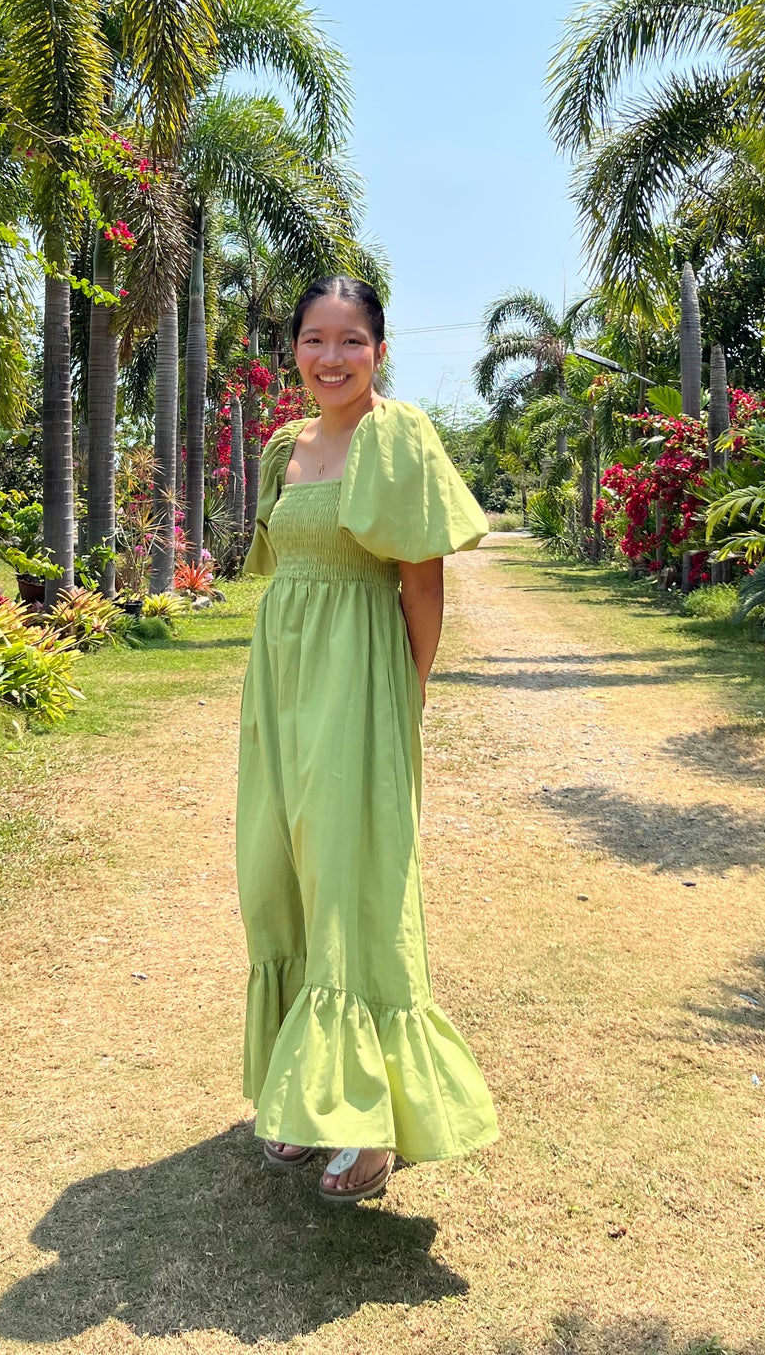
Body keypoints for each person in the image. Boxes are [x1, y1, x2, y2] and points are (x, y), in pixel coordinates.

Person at [236, 275, 498, 1204]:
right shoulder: (284, 445)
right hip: (282, 681)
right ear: (295, 350)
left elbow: (420, 583)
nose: (332, 357)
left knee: (351, 879)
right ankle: (307, 1089)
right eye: (314, 339)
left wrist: (407, 691)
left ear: (379, 350)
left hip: (361, 675)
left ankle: (370, 1120)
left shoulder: (398, 437)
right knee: (280, 870)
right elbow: (284, 570)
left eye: (351, 340)